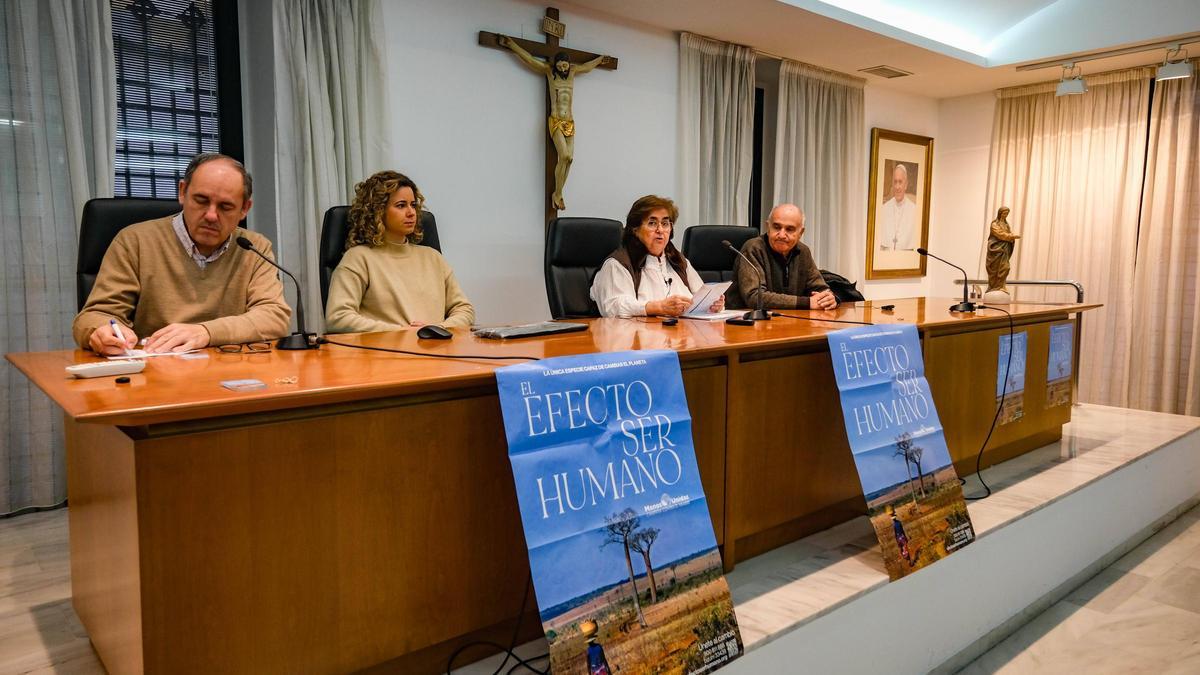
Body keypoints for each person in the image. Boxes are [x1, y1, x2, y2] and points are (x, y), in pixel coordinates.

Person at [73, 153, 290, 355]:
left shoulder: (254, 247)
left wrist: (205, 332)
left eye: (225, 206)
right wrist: (101, 330)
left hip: (228, 370)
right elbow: (93, 316)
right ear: (182, 192)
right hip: (156, 372)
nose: (211, 215)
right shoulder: (134, 241)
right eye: (201, 200)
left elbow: (274, 316)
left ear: (244, 209)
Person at [325, 171, 474, 333]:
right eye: (401, 205)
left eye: (413, 205)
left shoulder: (433, 257)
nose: (412, 212)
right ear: (378, 211)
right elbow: (338, 318)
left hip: (435, 352)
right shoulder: (358, 258)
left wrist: (436, 329)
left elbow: (464, 309)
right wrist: (402, 332)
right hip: (385, 354)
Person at [498, 35, 606, 210]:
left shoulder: (572, 72)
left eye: (565, 65)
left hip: (569, 121)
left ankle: (559, 193)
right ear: (555, 64)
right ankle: (558, 193)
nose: (563, 67)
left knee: (570, 159)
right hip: (556, 120)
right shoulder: (549, 72)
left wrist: (600, 60)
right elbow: (530, 60)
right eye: (560, 64)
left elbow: (587, 67)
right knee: (563, 155)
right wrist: (512, 45)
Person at [590, 195, 724, 318]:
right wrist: (658, 307)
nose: (660, 230)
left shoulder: (678, 261)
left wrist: (712, 305)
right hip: (637, 340)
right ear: (635, 230)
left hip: (682, 337)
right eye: (652, 223)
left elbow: (700, 297)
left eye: (665, 224)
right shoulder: (618, 263)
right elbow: (614, 307)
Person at [734, 204, 837, 311]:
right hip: (746, 322)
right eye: (777, 227)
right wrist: (807, 302)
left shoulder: (803, 251)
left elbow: (819, 287)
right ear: (768, 227)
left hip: (789, 320)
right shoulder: (753, 248)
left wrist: (828, 298)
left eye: (790, 229)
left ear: (800, 233)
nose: (782, 235)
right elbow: (754, 297)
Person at [877, 163, 917, 251]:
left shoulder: (914, 211)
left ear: (906, 184)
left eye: (900, 182)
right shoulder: (884, 208)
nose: (897, 187)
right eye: (895, 182)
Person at [986, 206, 1020, 293]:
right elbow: (1000, 234)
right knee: (994, 269)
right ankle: (994, 286)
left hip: (1004, 250)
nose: (1005, 215)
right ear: (1000, 213)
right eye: (1004, 213)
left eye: (1007, 214)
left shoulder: (1006, 225)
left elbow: (1007, 233)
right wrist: (1012, 236)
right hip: (996, 250)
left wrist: (1011, 236)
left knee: (1005, 267)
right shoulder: (994, 224)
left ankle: (1001, 286)